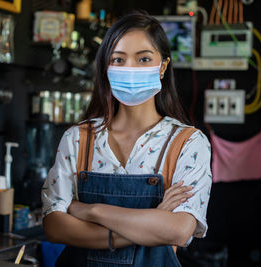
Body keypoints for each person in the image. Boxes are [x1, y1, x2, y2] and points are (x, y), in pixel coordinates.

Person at [41, 11, 212, 266]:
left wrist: (91, 210)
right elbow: (54, 226)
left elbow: (178, 230)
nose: (130, 69)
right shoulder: (78, 139)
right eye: (118, 60)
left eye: (143, 59)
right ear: (106, 69)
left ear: (163, 66)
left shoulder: (188, 143)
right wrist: (153, 220)